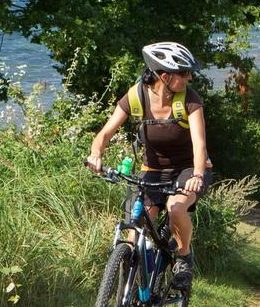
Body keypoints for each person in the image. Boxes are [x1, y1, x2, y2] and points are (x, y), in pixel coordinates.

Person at [86, 42, 210, 290]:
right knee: (134, 232)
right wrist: (96, 153)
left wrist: (197, 174)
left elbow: (200, 144)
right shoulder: (137, 96)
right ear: (164, 76)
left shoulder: (189, 99)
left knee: (176, 209)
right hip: (152, 171)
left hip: (187, 169)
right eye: (184, 73)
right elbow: (105, 133)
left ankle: (184, 257)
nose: (189, 77)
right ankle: (129, 293)